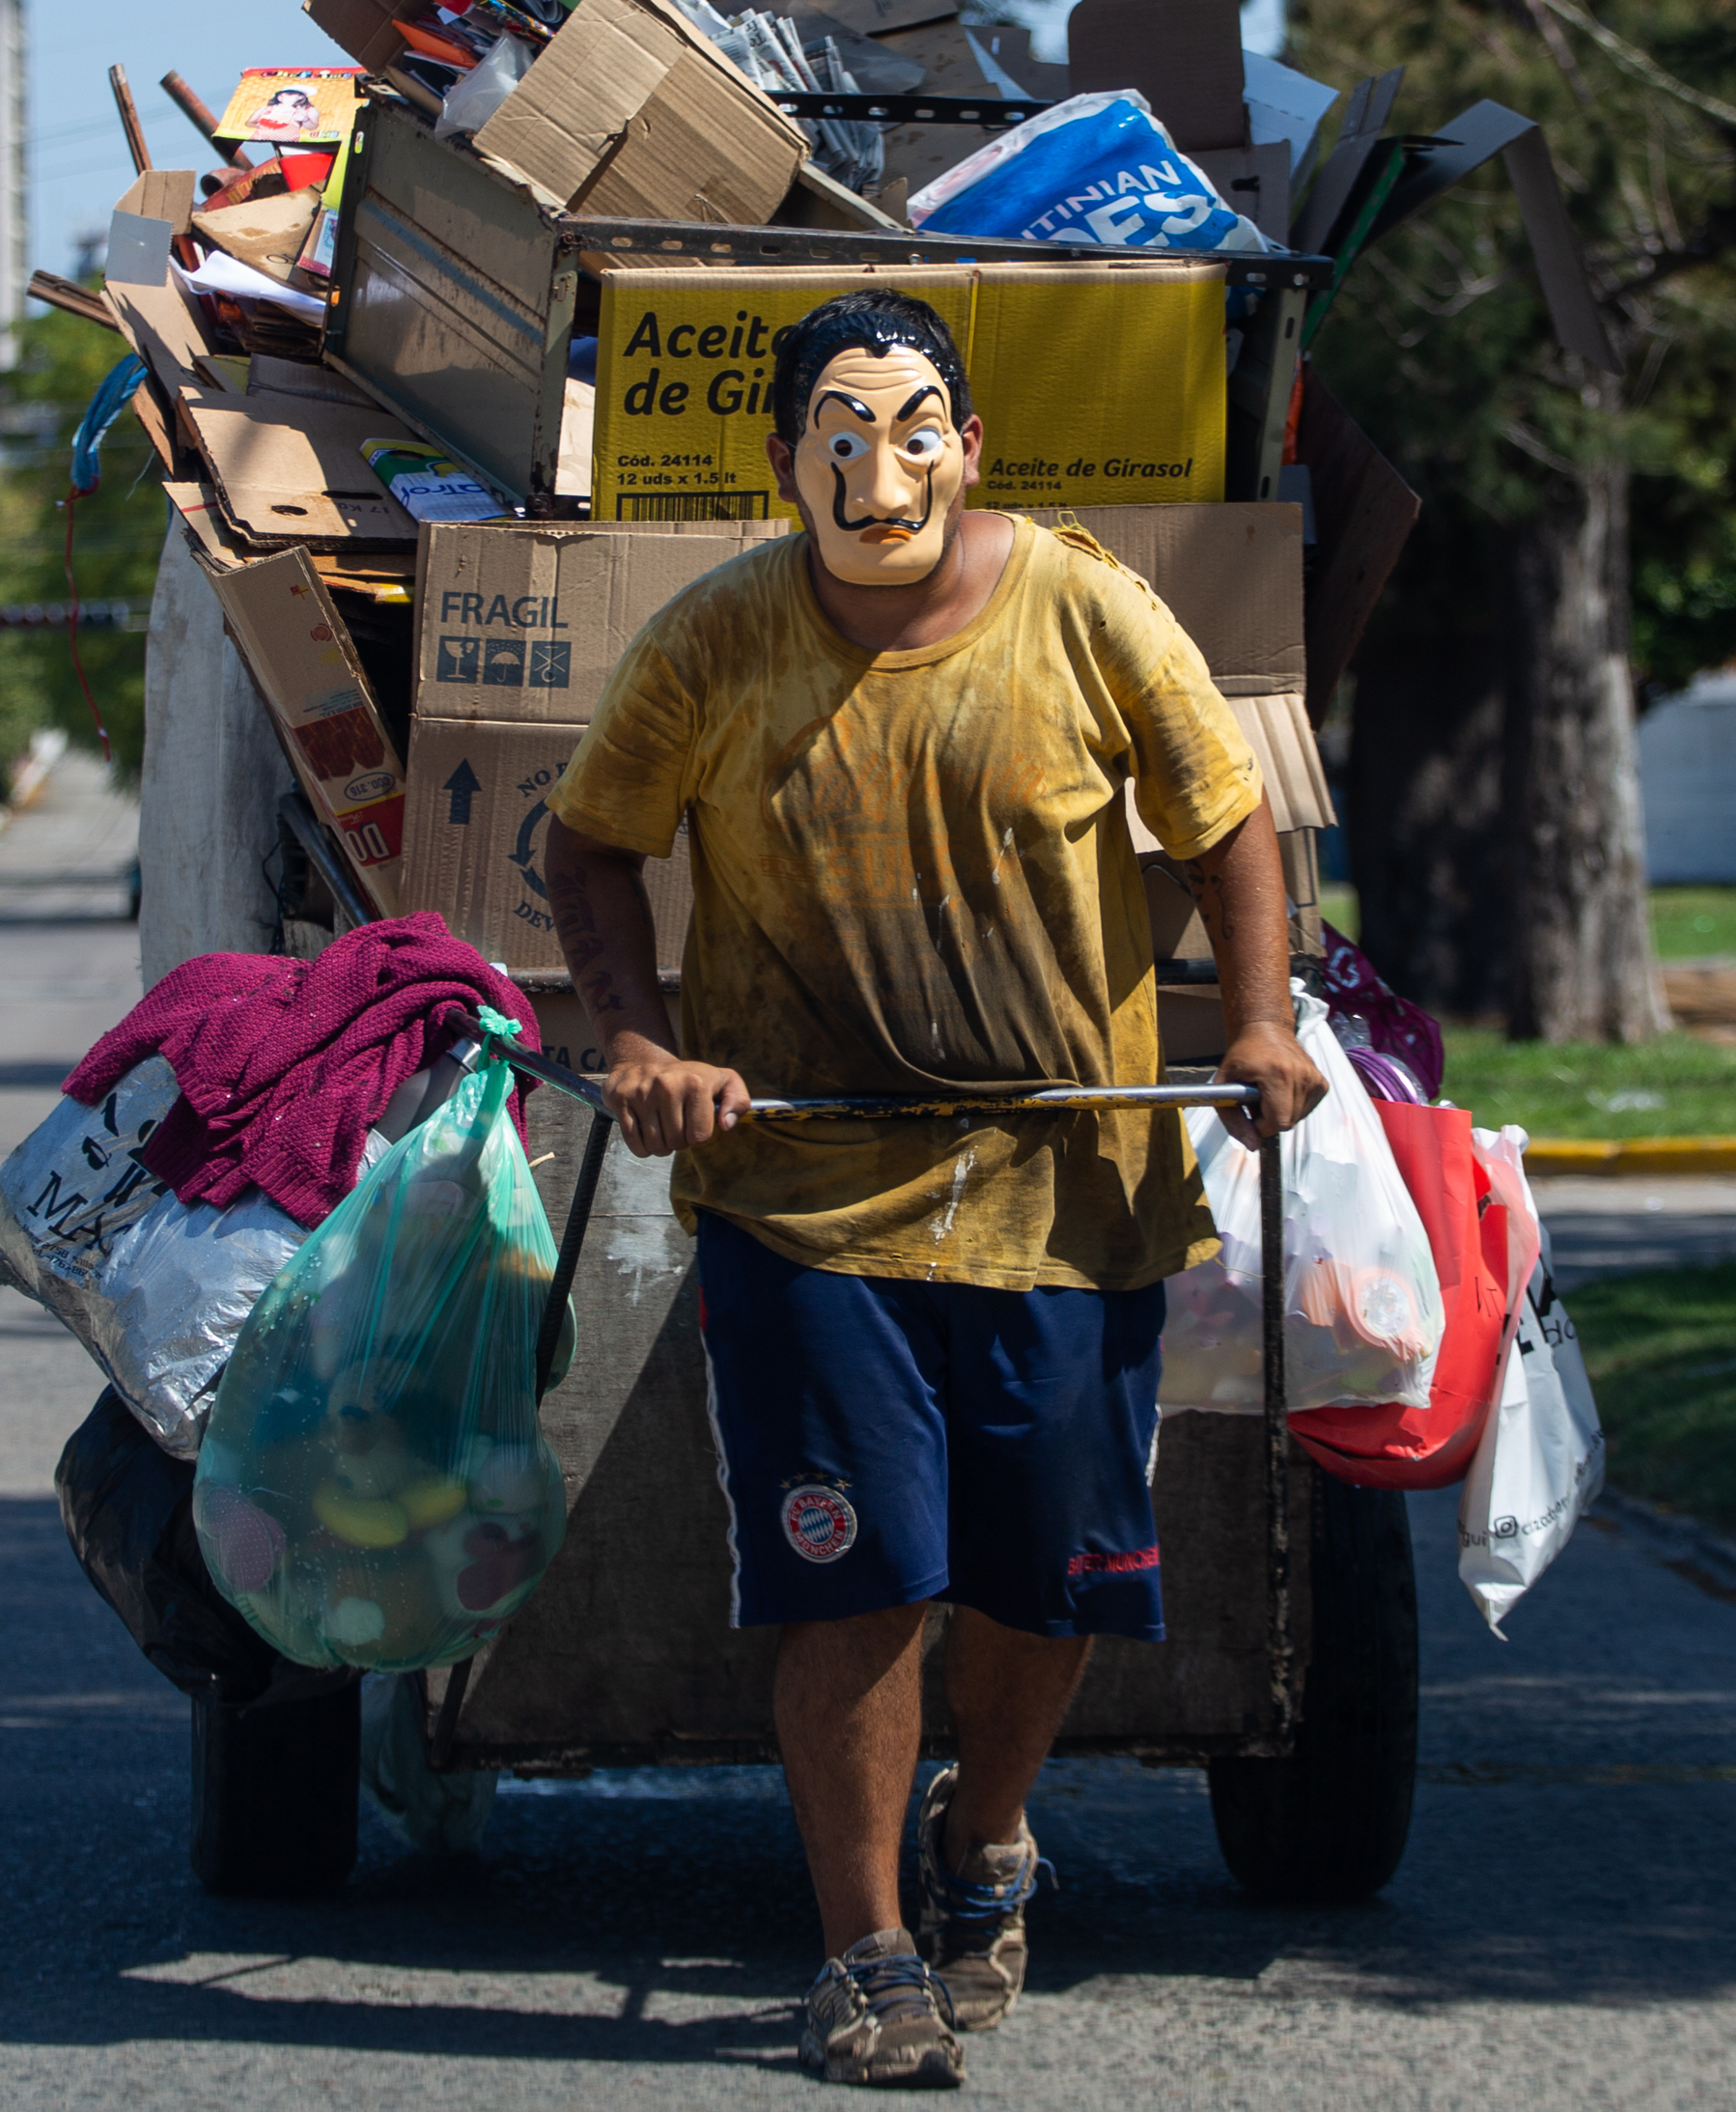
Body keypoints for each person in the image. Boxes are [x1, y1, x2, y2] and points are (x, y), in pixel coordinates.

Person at [542, 289, 1323, 2089]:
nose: (871, 465)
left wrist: (1267, 1019)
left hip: (1069, 1189)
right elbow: (592, 839)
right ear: (776, 461)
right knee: (859, 1577)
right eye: (832, 430)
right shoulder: (718, 638)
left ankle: (990, 1837)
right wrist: (644, 1041)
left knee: (1044, 1589)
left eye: (907, 430)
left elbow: (1223, 821)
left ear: (969, 445)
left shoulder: (1080, 604)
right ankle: (867, 1949)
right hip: (807, 1196)